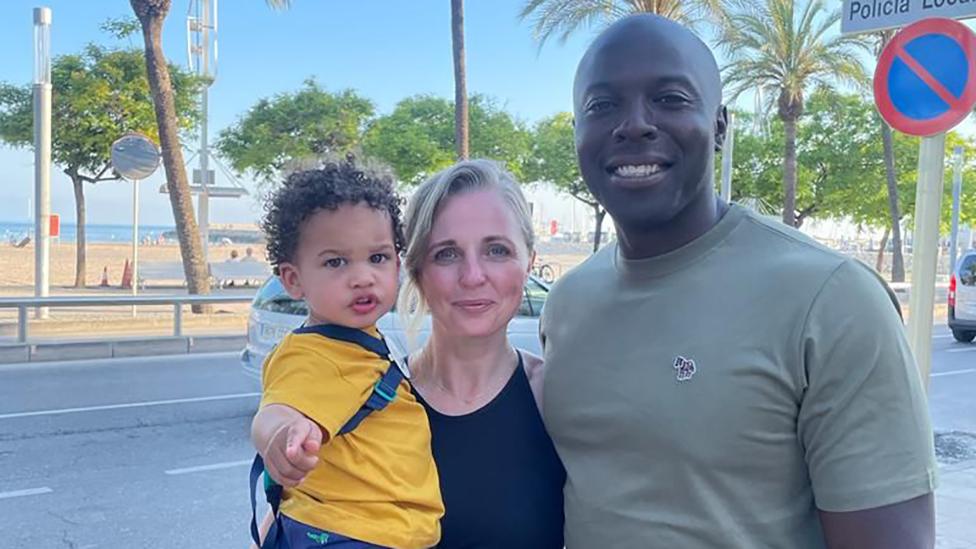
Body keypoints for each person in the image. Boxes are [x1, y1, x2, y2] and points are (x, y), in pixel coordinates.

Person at [539, 14, 937, 549]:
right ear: (578, 134)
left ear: (721, 126)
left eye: (670, 98)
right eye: (601, 106)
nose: (633, 124)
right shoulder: (566, 303)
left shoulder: (832, 300)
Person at [254, 159, 565, 549]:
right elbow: (286, 522)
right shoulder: (364, 396)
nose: (472, 276)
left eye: (497, 250)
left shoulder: (559, 401)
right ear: (415, 271)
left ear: (529, 263)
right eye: (447, 254)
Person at [250, 159, 443, 549]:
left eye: (378, 257)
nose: (362, 276)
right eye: (336, 262)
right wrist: (282, 437)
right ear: (293, 279)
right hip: (353, 535)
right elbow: (276, 410)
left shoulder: (359, 345)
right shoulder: (312, 354)